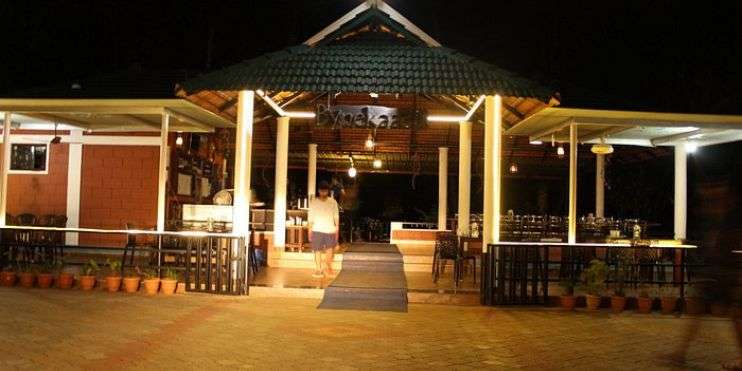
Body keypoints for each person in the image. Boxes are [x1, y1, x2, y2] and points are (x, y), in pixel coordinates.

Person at [307, 181, 339, 278]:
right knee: (317, 250)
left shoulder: (333, 202)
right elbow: (310, 217)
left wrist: (337, 227)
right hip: (317, 229)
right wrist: (309, 230)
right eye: (322, 191)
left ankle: (328, 268)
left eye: (325, 191)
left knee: (330, 250)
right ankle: (318, 269)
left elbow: (336, 216)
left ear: (328, 191)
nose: (323, 193)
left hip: (330, 229)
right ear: (319, 191)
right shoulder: (314, 202)